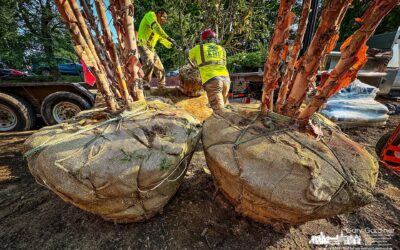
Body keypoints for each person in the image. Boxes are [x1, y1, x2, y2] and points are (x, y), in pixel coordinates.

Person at [188, 28, 230, 113]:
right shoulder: (221, 49)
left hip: (212, 80)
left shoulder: (198, 48)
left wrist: (186, 51)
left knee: (220, 112)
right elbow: (224, 63)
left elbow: (188, 56)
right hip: (226, 80)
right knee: (224, 109)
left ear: (203, 39)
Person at [137, 8, 176, 89]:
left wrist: (171, 45)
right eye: (164, 17)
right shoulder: (150, 15)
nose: (164, 20)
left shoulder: (157, 28)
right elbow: (156, 28)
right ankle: (145, 84)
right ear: (159, 13)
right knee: (149, 62)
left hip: (151, 49)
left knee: (160, 67)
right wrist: (168, 37)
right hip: (143, 45)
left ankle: (161, 86)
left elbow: (162, 39)